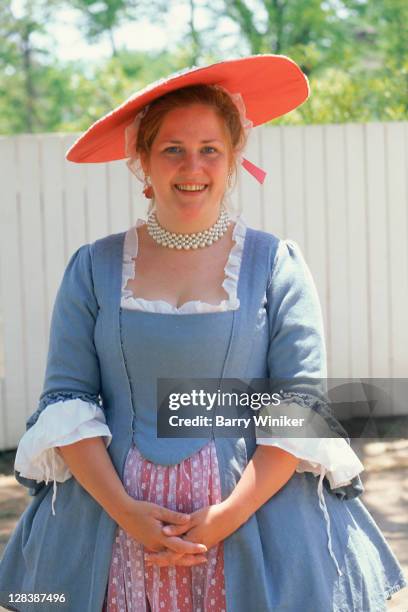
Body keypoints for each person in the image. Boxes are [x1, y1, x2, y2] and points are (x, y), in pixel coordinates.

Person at [0, 55, 406, 612]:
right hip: (115, 520)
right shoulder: (92, 268)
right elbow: (65, 397)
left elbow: (299, 407)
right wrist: (126, 513)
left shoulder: (276, 264)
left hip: (252, 520)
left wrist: (223, 519)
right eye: (173, 148)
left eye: (209, 149)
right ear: (142, 161)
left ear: (234, 158)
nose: (192, 165)